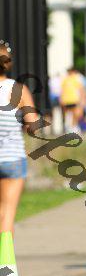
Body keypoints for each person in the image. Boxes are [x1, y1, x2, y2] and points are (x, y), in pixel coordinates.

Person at [0, 41, 38, 231]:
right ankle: (5, 252)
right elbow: (33, 124)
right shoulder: (19, 89)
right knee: (6, 214)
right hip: (12, 158)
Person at [60, 67, 86, 132]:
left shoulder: (76, 79)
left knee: (75, 114)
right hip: (66, 99)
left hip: (74, 99)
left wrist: (83, 99)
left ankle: (73, 126)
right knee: (67, 115)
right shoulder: (65, 79)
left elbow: (81, 90)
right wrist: (61, 98)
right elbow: (62, 90)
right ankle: (68, 127)